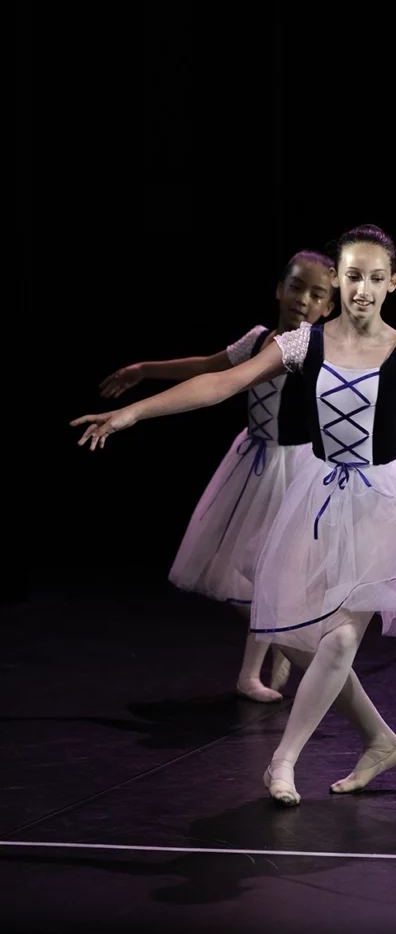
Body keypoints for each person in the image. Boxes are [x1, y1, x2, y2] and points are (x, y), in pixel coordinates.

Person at [72, 224, 396, 807]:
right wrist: (134, 413)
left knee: (339, 641)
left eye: (373, 278)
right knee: (287, 631)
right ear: (337, 281)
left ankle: (282, 761)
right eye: (350, 277)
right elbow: (221, 382)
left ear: (391, 283)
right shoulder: (303, 344)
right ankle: (379, 739)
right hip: (317, 496)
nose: (360, 289)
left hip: (384, 504)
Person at [93, 250, 335, 702]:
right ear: (280, 289)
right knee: (244, 578)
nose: (304, 299)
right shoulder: (260, 337)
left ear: (328, 306)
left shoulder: (317, 348)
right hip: (252, 462)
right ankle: (280, 639)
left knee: (269, 572)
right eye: (297, 287)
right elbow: (210, 368)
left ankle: (255, 670)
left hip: (295, 467)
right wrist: (144, 370)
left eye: (316, 294)